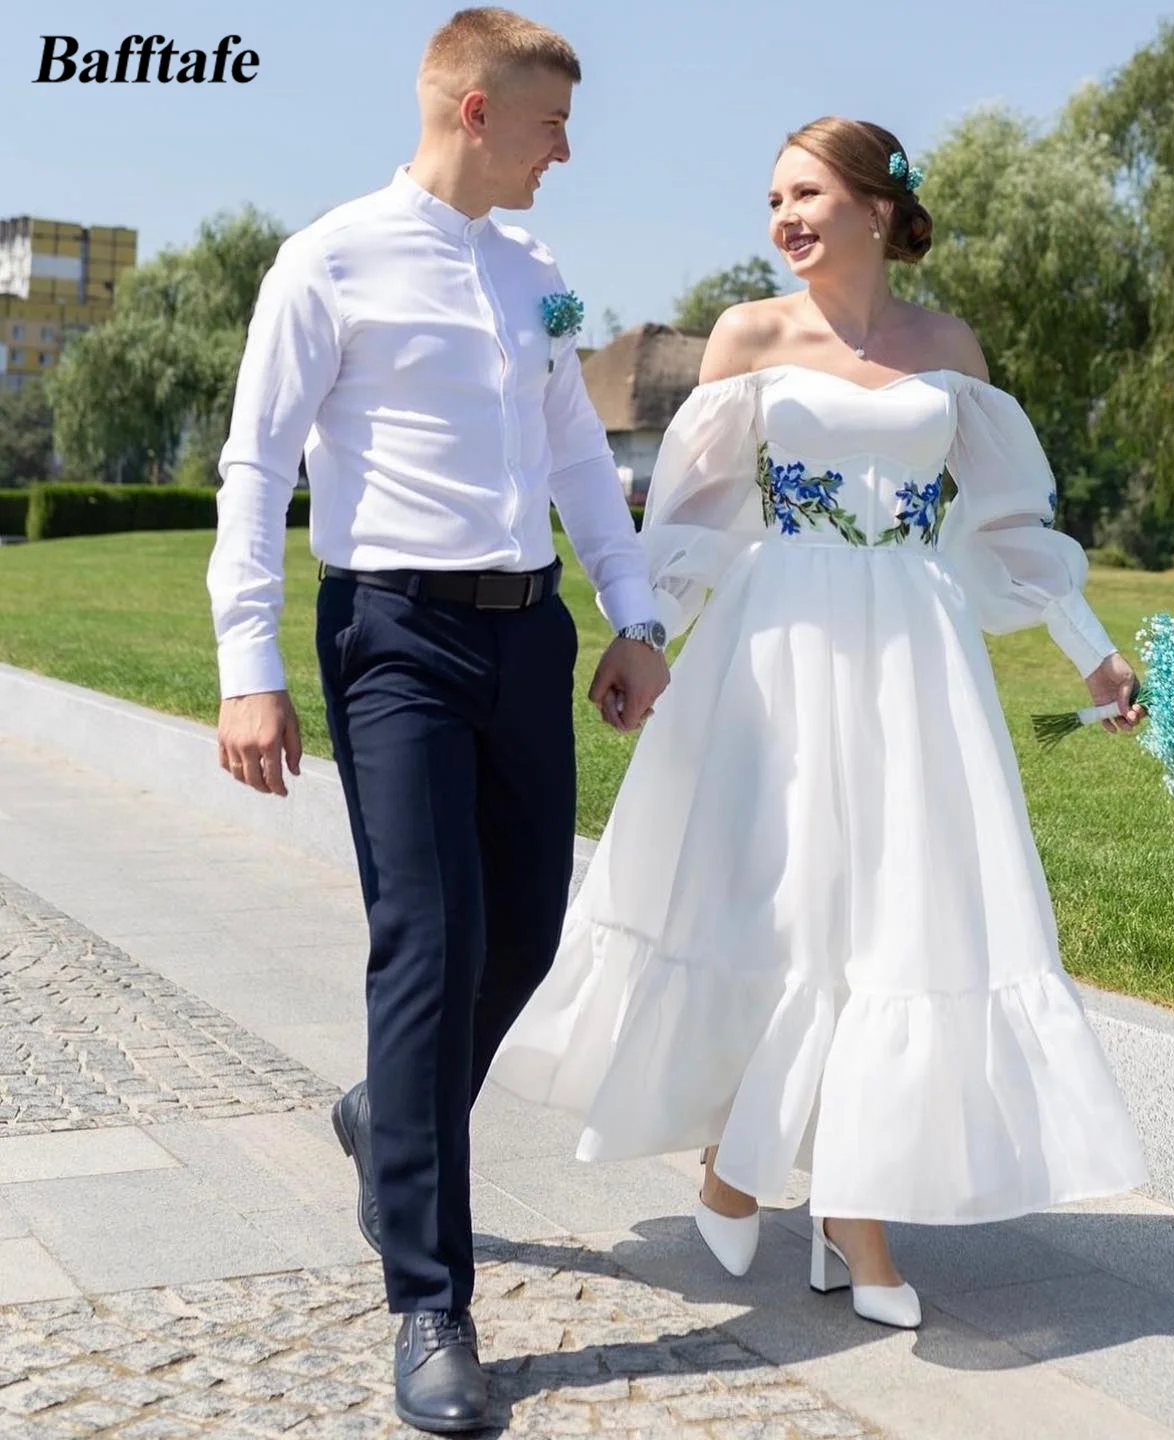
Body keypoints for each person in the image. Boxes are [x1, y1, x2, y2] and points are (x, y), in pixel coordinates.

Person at [491, 116, 1149, 1331]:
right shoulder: (749, 336)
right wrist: (646, 634)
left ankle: (822, 1199)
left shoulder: (949, 347)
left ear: (879, 207)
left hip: (914, 656)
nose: (785, 218)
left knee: (901, 915)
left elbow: (1006, 530)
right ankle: (794, 1193)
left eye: (806, 195)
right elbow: (691, 517)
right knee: (784, 903)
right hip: (775, 649)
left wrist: (1095, 656)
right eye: (774, 201)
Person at [205, 9, 669, 1432]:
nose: (565, 150)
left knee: (526, 930)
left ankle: (384, 1118)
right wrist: (249, 658)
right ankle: (431, 1305)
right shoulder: (327, 260)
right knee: (432, 939)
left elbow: (581, 455)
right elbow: (254, 463)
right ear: (475, 111)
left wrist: (632, 615)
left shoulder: (536, 274)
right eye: (548, 124)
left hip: (525, 631)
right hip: (390, 634)